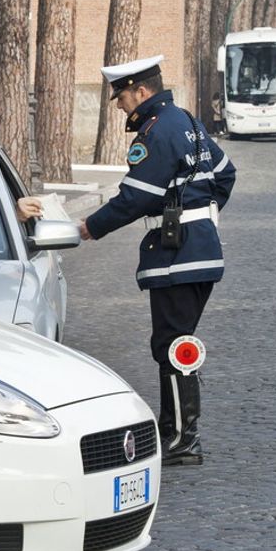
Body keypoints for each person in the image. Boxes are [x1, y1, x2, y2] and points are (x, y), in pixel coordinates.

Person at [77, 55, 236, 467]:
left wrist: (89, 227)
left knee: (174, 346)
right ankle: (174, 429)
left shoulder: (157, 131)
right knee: (173, 343)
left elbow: (136, 198)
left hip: (177, 255)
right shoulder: (185, 120)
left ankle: (184, 439)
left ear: (142, 91)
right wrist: (201, 215)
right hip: (197, 249)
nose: (118, 104)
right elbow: (225, 173)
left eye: (122, 95)